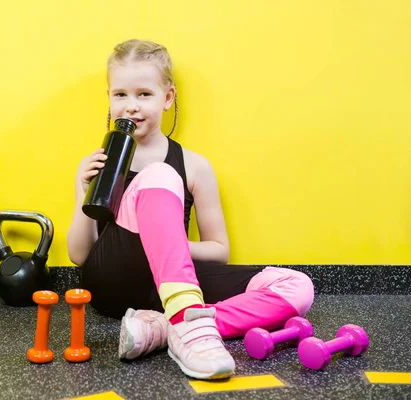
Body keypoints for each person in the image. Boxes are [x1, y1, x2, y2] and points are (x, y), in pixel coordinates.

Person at [66, 39, 314, 380]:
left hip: (170, 286)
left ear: (167, 98)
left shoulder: (194, 167)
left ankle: (168, 328)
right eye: (120, 95)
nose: (131, 107)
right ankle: (189, 325)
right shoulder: (98, 163)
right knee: (160, 174)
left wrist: (165, 242)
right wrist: (83, 192)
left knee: (295, 286)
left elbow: (219, 251)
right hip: (113, 282)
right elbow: (80, 256)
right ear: (109, 97)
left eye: (144, 94)